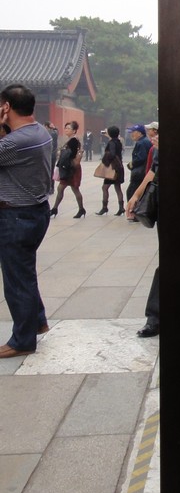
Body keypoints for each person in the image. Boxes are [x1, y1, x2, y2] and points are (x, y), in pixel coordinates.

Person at [0, 84, 52, 358]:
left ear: (6, 107)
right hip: (34, 212)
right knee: (24, 273)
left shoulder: (14, 142)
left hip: (16, 216)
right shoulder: (39, 131)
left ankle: (22, 340)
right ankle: (38, 321)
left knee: (17, 279)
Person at [127, 130, 159, 337]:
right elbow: (153, 172)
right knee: (167, 261)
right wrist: (136, 195)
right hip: (170, 205)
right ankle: (155, 317)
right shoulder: (158, 148)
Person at [50, 120, 85, 218]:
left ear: (74, 131)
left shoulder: (73, 141)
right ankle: (55, 209)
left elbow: (69, 155)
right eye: (65, 128)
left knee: (70, 188)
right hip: (70, 168)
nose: (66, 130)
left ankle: (56, 209)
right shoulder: (72, 140)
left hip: (70, 169)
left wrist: (61, 153)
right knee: (65, 188)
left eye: (69, 128)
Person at [95, 125, 125, 215]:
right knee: (118, 187)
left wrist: (105, 159)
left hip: (112, 168)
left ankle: (104, 207)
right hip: (119, 166)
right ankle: (121, 207)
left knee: (105, 187)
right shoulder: (118, 142)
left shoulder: (111, 143)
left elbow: (112, 154)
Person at [126, 124, 152, 221]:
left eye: (134, 132)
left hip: (139, 172)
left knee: (132, 192)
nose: (132, 134)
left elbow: (141, 158)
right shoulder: (145, 141)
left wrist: (132, 164)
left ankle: (135, 213)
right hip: (143, 171)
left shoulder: (141, 143)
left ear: (140, 133)